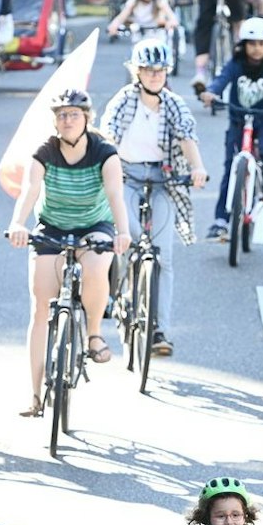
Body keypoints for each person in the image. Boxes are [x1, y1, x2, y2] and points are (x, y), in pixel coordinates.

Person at [6, 89, 131, 415]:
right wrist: (18, 223)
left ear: (86, 118)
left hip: (94, 225)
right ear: (55, 121)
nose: (67, 120)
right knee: (40, 308)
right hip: (53, 226)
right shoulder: (45, 151)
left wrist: (123, 233)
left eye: (74, 114)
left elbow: (115, 195)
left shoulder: (104, 152)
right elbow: (30, 190)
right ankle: (35, 395)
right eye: (61, 115)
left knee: (97, 266)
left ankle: (93, 334)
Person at [100, 38, 210, 357]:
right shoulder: (124, 100)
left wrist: (198, 167)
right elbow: (108, 134)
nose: (154, 76)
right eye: (148, 70)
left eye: (160, 70)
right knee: (128, 236)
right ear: (136, 72)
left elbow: (187, 136)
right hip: (125, 176)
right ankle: (115, 291)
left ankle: (159, 328)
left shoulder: (174, 104)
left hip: (163, 179)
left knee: (163, 256)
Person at [200, 16, 263, 237]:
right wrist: (211, 92)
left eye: (261, 44)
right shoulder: (235, 65)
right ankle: (220, 220)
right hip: (239, 120)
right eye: (252, 44)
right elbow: (221, 80)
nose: (256, 49)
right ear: (243, 45)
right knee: (230, 169)